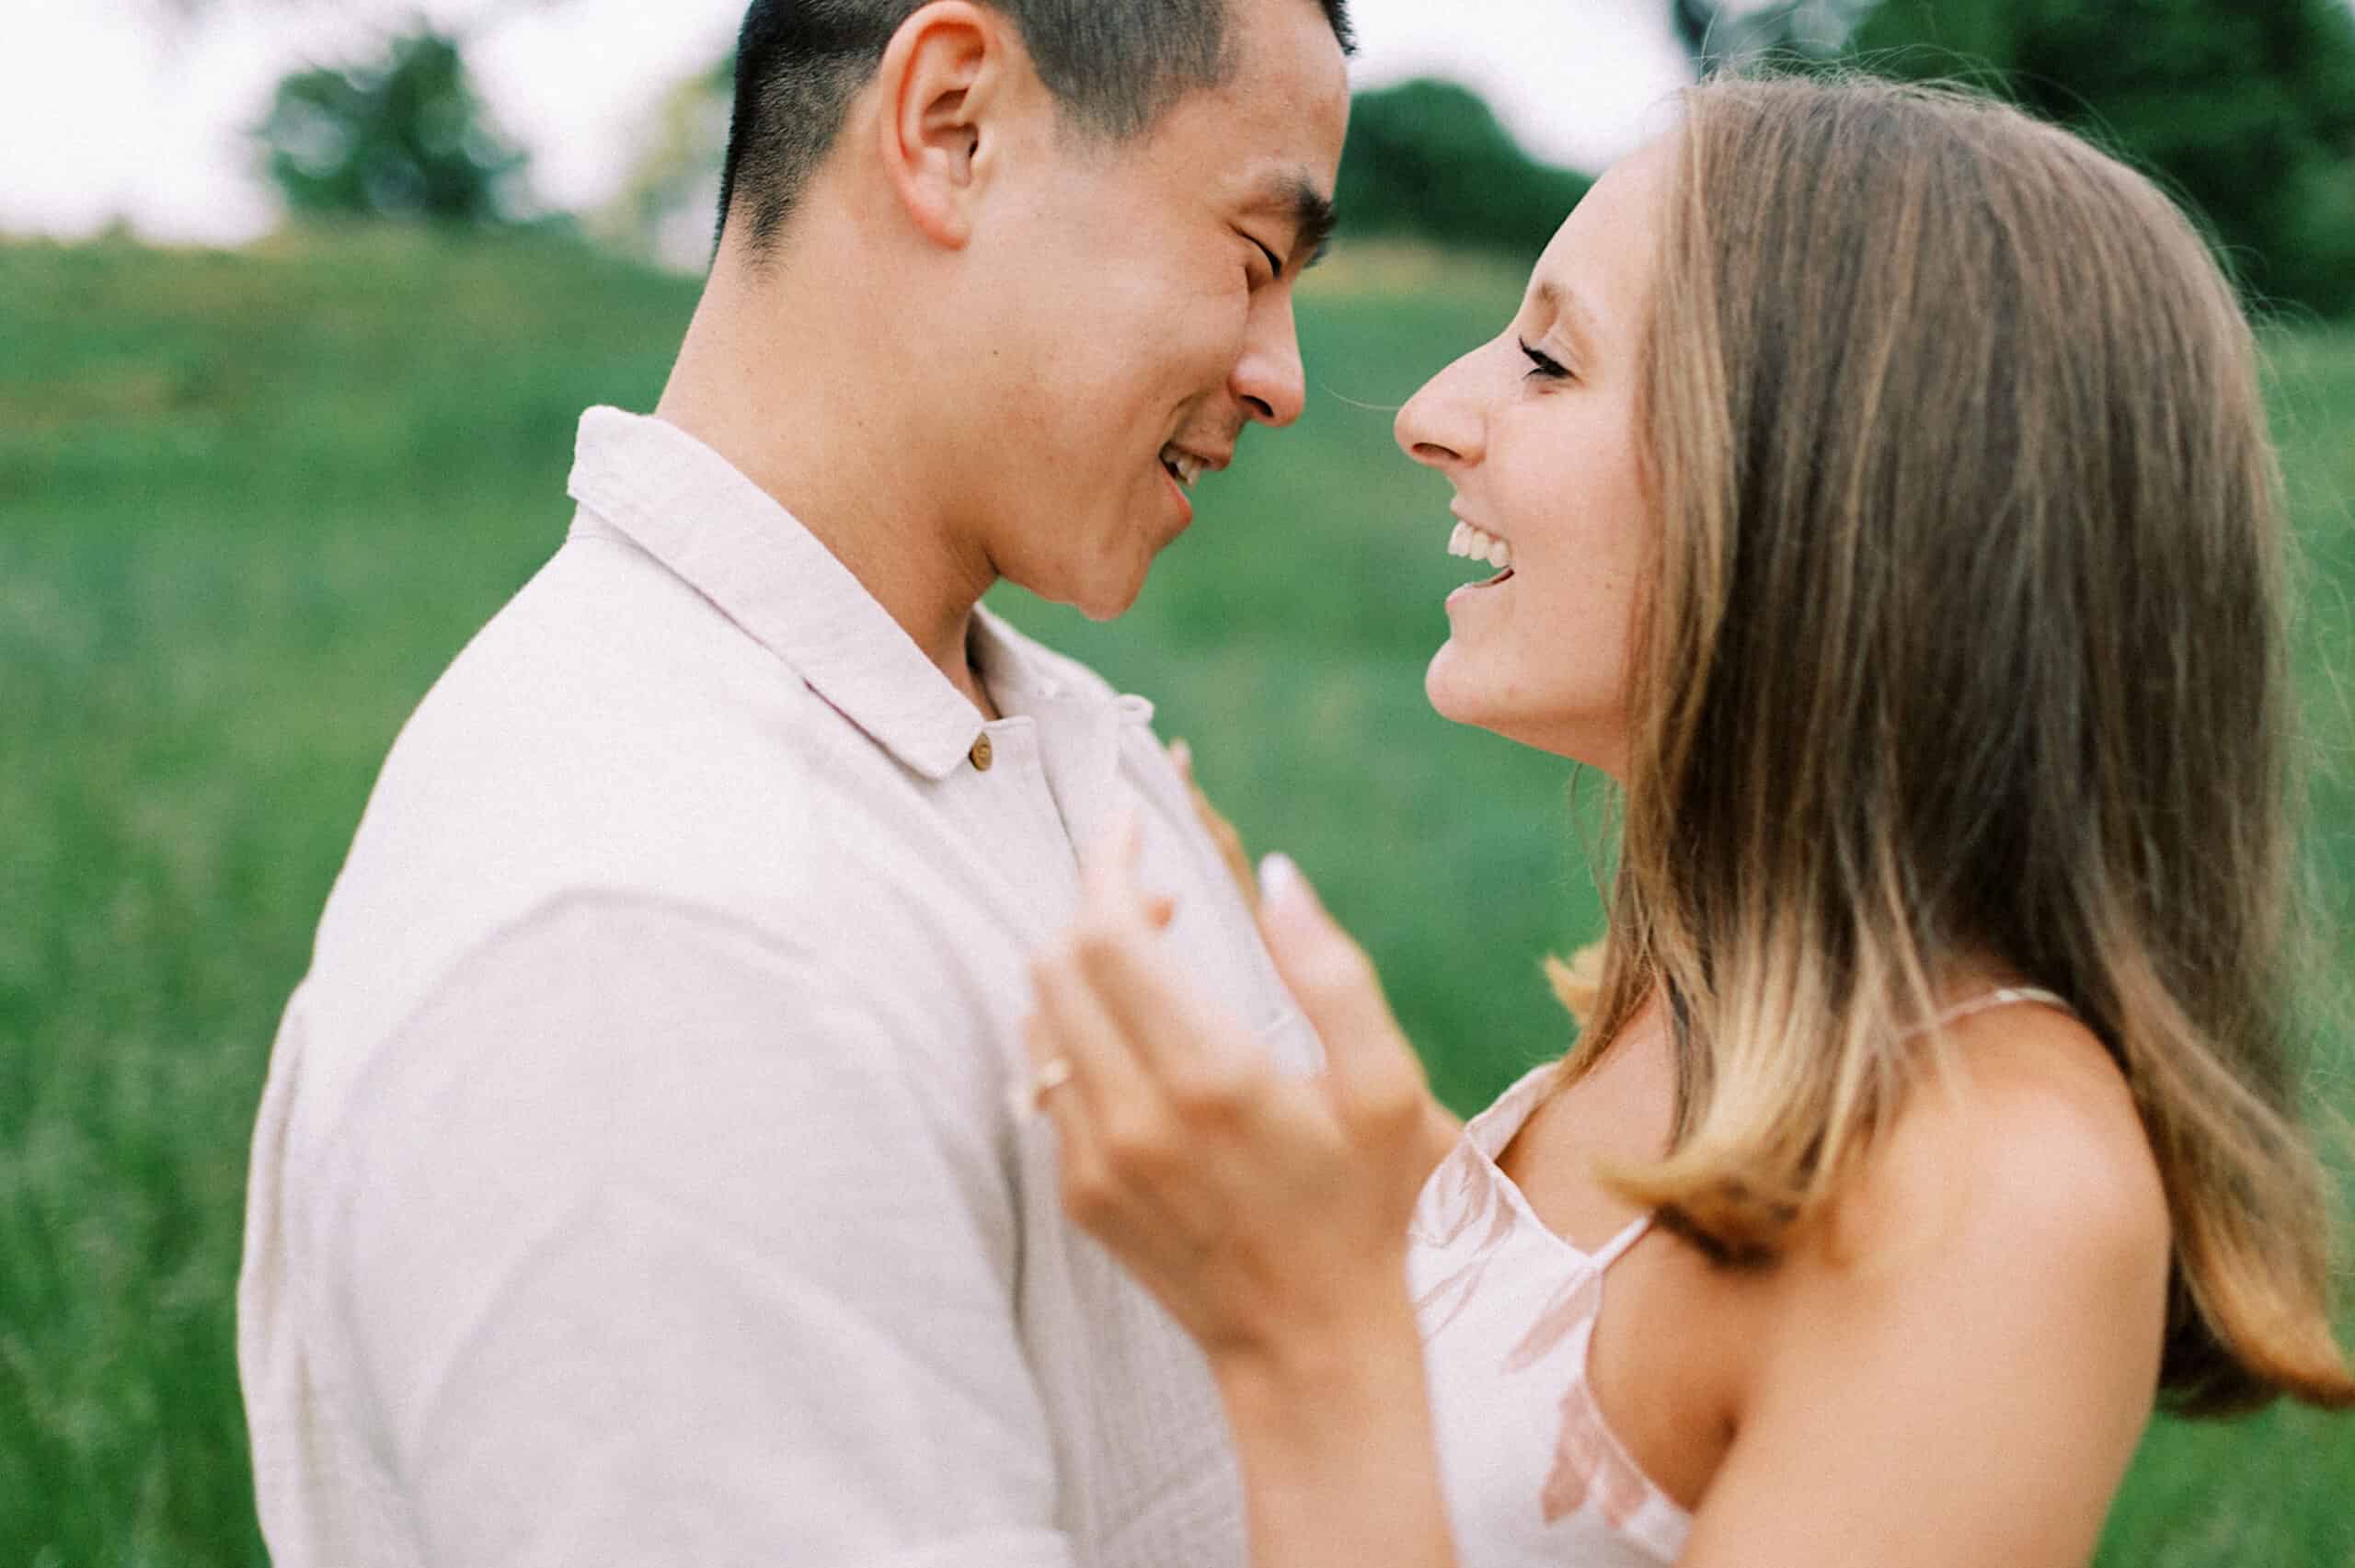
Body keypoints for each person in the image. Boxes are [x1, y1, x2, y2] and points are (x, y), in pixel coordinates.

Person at [1024, 74, 2355, 1568]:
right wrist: (1358, 1141)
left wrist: (1302, 1343)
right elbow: (1550, 1388)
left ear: (1830, 489)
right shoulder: (1703, 1013)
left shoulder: (2000, 1191)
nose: (1427, 414)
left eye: (1547, 360)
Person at [236, 2, 1350, 1563]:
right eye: (1253, 257)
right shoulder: (653, 959)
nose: (1282, 374)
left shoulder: (1037, 738)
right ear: (953, 126)